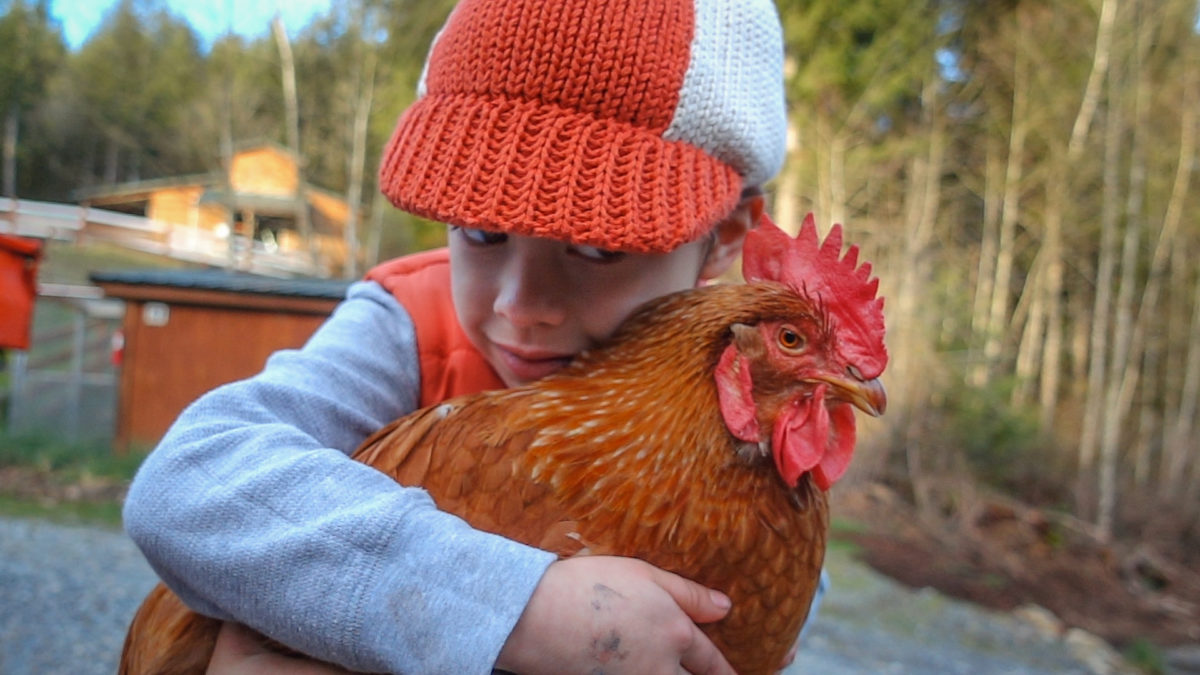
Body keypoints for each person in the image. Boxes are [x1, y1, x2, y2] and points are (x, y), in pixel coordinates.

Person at [123, 0, 806, 672]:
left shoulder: (757, 385)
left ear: (726, 238)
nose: (521, 303)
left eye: (598, 248)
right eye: (480, 233)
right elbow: (185, 483)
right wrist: (516, 607)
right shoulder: (410, 325)